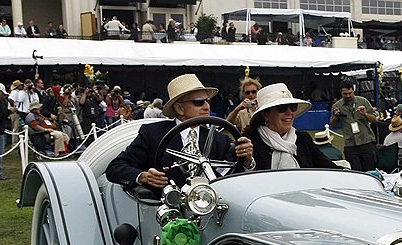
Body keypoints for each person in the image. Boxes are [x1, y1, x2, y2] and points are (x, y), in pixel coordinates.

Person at [106, 74, 254, 196]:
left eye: (208, 101)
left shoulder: (218, 139)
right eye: (199, 102)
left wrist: (247, 160)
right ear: (179, 108)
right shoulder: (152, 134)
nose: (206, 106)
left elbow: (234, 175)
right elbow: (115, 168)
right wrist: (144, 176)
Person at [245, 83, 339, 171]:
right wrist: (248, 163)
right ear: (265, 114)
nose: (289, 112)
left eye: (293, 107)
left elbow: (327, 166)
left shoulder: (303, 139)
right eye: (282, 108)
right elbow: (238, 176)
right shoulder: (250, 142)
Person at [330, 81, 378, 171]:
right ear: (341, 92)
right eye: (345, 94)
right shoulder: (337, 106)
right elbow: (333, 124)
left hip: (366, 141)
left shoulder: (363, 101)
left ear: (353, 91)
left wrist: (365, 114)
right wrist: (336, 116)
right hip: (350, 144)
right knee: (355, 172)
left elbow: (374, 119)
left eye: (349, 93)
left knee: (370, 170)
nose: (348, 96)